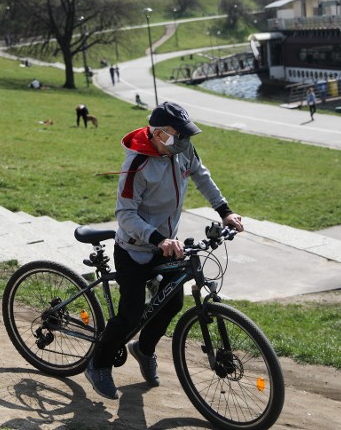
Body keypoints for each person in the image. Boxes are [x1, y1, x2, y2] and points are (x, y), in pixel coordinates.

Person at [84, 101, 244, 400]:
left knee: (171, 302)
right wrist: (158, 238)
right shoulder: (136, 165)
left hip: (165, 245)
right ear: (159, 135)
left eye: (185, 136)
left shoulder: (182, 152)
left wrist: (225, 211)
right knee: (130, 315)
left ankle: (143, 350)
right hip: (134, 247)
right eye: (176, 136)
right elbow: (125, 215)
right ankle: (97, 364)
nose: (183, 142)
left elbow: (202, 176)